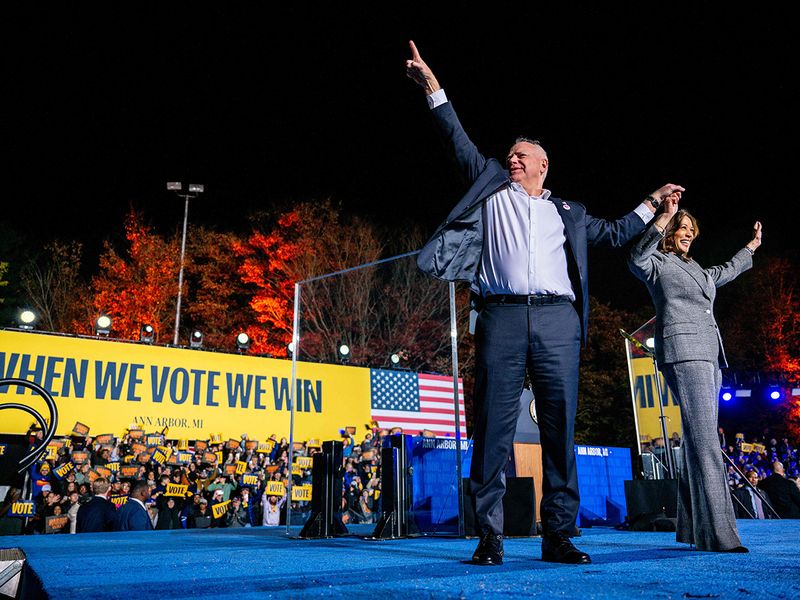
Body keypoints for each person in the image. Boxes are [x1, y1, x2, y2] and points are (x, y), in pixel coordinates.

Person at [406, 40, 679, 565]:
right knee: (491, 426)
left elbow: (616, 231)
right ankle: (490, 536)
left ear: (543, 165)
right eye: (509, 153)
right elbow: (458, 142)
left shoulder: (568, 211)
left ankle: (557, 534)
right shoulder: (491, 189)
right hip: (501, 316)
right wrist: (434, 89)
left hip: (558, 320)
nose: (511, 157)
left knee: (559, 426)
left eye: (521, 154)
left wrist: (654, 203)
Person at [628, 197, 761, 552]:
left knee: (695, 441)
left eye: (691, 230)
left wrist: (750, 247)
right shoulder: (657, 261)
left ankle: (692, 529)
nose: (688, 233)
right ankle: (721, 534)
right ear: (670, 231)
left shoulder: (698, 269)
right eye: (682, 228)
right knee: (705, 442)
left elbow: (726, 271)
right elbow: (636, 258)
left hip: (710, 354)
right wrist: (664, 215)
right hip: (684, 352)